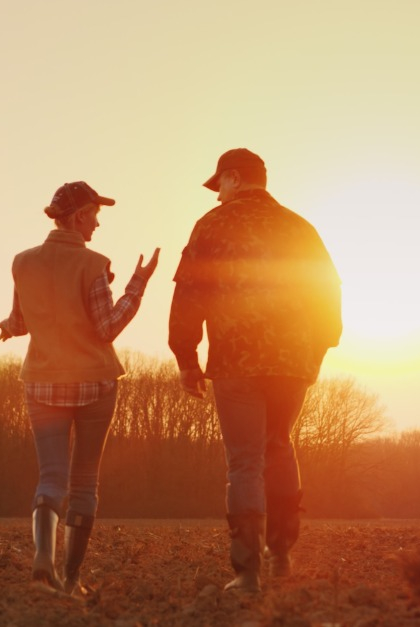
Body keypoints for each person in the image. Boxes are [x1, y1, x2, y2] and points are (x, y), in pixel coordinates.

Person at [169, 148, 342, 594]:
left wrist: (186, 357)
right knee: (279, 446)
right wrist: (318, 350)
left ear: (233, 178)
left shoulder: (212, 226)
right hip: (292, 363)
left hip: (235, 361)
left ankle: (247, 573)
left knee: (244, 462)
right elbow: (329, 293)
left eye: (218, 185)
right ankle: (280, 555)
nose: (217, 195)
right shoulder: (300, 228)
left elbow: (189, 293)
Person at [0, 181, 159, 595]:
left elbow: (22, 319)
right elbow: (107, 327)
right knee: (84, 483)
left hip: (42, 382)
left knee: (50, 478)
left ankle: (42, 558)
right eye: (95, 214)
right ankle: (71, 579)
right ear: (80, 215)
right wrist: (137, 285)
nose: (98, 223)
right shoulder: (93, 264)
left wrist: (9, 329)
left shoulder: (22, 262)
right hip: (94, 383)